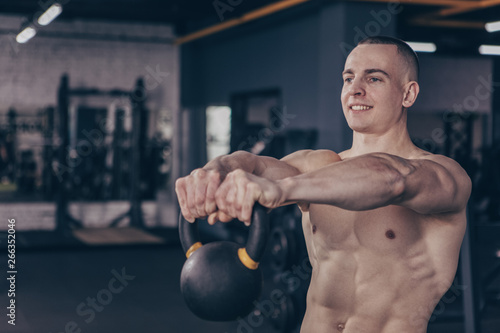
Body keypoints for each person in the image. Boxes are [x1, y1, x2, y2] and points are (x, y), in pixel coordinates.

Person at [175, 36, 471, 333]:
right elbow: (253, 164)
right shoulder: (317, 166)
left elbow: (392, 179)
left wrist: (283, 190)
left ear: (408, 94)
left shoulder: (444, 176)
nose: (355, 89)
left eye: (375, 78)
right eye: (348, 78)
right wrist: (214, 174)